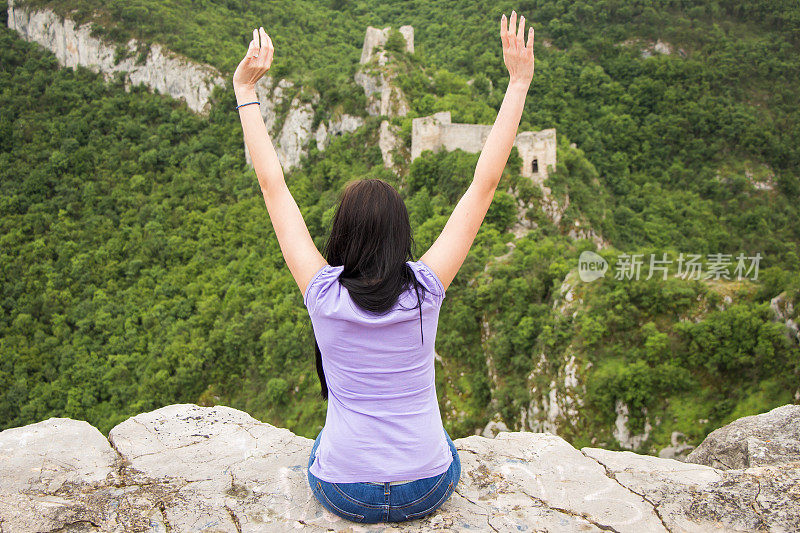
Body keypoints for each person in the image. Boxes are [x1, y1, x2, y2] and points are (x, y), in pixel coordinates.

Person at [232, 9, 535, 524]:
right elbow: (483, 185)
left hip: (344, 493)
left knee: (323, 445)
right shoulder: (425, 288)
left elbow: (273, 185)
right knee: (441, 445)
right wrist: (518, 83)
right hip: (426, 487)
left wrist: (245, 91)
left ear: (341, 236)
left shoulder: (322, 293)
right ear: (402, 236)